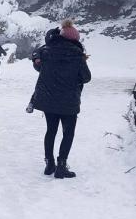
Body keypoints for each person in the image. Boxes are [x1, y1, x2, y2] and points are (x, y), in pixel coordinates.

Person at [31, 20, 91, 179]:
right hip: (69, 101)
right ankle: (61, 166)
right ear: (75, 39)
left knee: (51, 131)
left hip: (49, 100)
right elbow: (86, 78)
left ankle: (49, 163)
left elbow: (38, 67)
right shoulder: (78, 55)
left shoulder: (47, 51)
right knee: (68, 133)